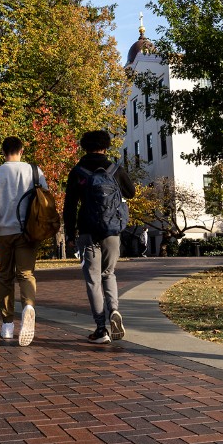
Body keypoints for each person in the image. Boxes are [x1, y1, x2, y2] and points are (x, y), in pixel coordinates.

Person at [63, 129, 135, 344]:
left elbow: (69, 207)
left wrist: (70, 234)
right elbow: (131, 192)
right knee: (109, 273)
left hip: (87, 231)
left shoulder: (78, 171)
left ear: (84, 146)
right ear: (106, 146)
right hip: (112, 230)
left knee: (93, 280)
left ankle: (101, 329)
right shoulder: (115, 169)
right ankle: (114, 310)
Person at [0, 136, 48, 346]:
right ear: (22, 150)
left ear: (3, 152)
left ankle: (7, 325)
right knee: (26, 274)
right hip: (28, 231)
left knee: (5, 277)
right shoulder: (34, 171)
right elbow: (46, 200)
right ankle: (28, 305)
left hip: (3, 232)